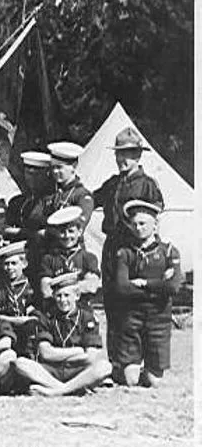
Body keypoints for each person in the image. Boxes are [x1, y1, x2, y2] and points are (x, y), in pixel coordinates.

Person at [93, 127, 164, 360]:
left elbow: (155, 216)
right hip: (111, 247)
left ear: (139, 156)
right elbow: (91, 199)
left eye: (129, 154)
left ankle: (137, 359)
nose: (123, 159)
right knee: (112, 300)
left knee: (133, 302)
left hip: (133, 249)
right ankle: (116, 360)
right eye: (119, 154)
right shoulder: (112, 184)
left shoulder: (147, 184)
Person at [110, 200, 182, 387]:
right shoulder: (124, 253)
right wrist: (159, 286)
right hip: (131, 317)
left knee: (154, 381)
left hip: (158, 317)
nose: (138, 228)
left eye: (143, 224)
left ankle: (149, 368)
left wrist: (144, 283)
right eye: (134, 224)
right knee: (131, 381)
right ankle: (129, 366)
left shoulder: (168, 252)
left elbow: (173, 287)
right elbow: (122, 288)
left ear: (155, 225)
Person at [13, 274, 113, 396]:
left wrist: (58, 353)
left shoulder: (86, 317)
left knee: (104, 366)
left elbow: (90, 356)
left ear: (76, 296)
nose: (63, 300)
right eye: (59, 296)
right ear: (54, 297)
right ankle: (68, 389)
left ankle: (57, 391)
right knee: (21, 363)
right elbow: (46, 353)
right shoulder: (48, 318)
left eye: (67, 295)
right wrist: (78, 351)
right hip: (53, 370)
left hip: (77, 370)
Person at [43, 142, 94, 226]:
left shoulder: (81, 195)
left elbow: (79, 225)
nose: (55, 171)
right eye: (53, 167)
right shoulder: (53, 191)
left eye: (59, 167)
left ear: (74, 166)